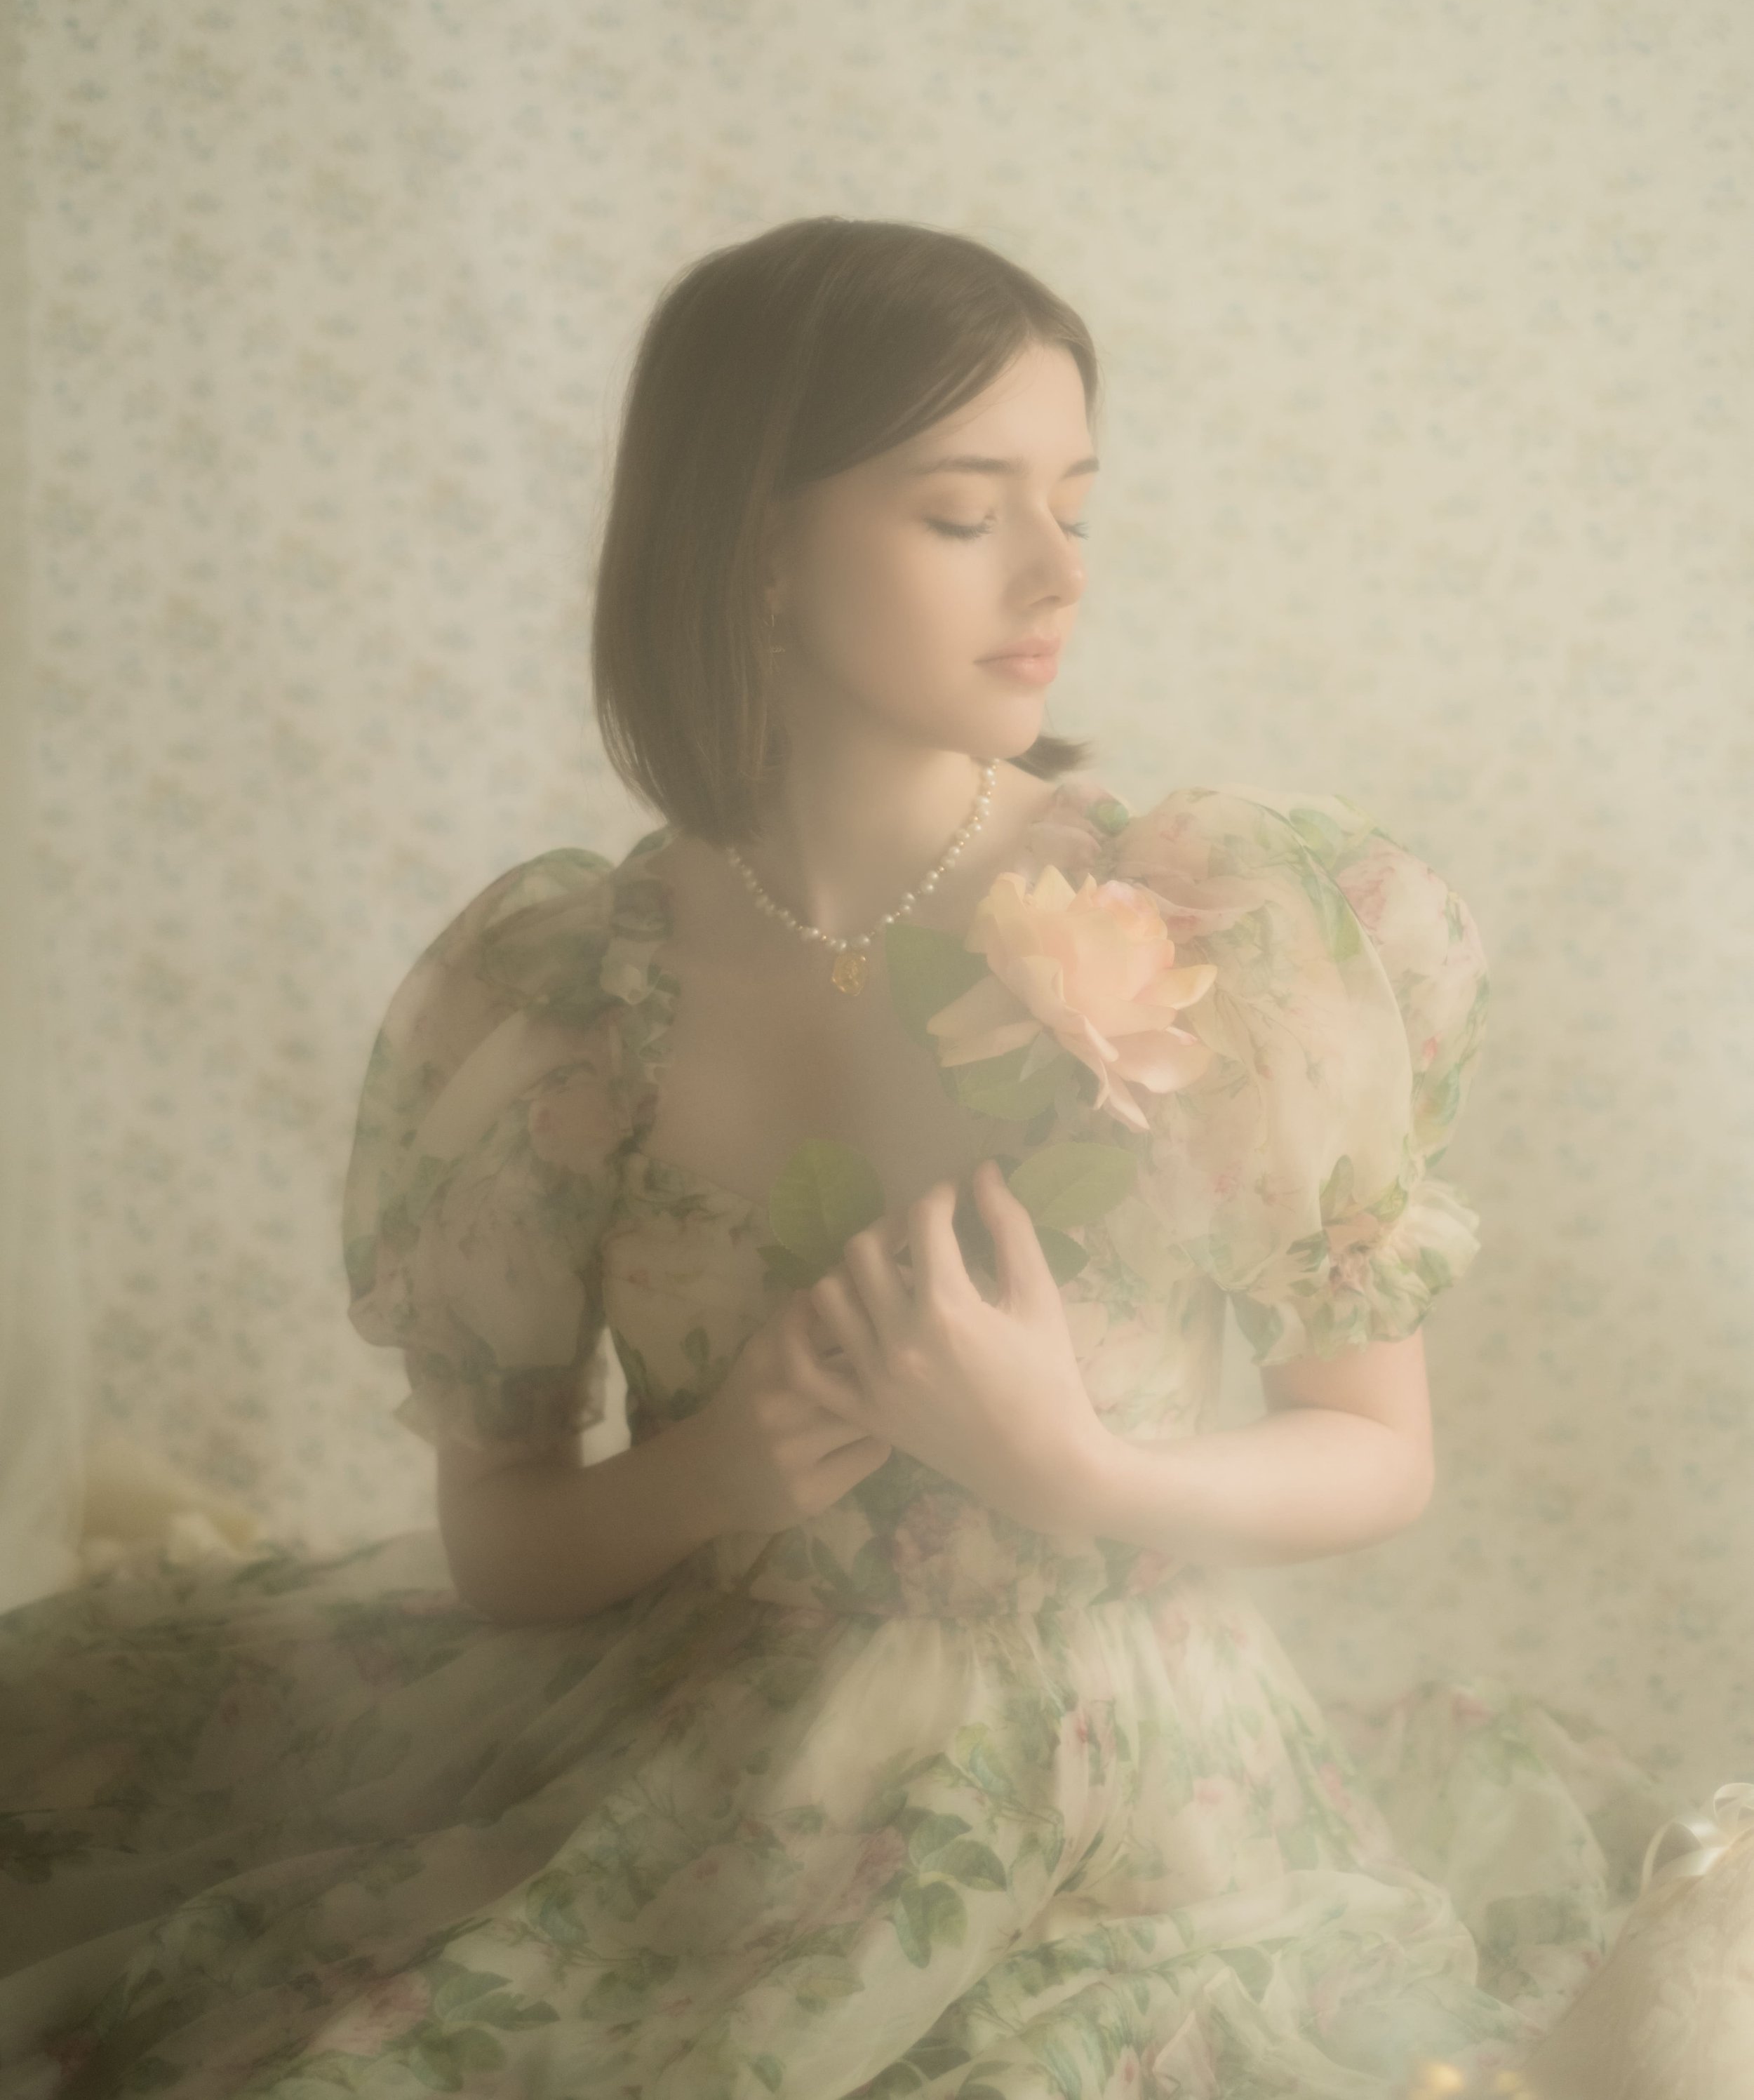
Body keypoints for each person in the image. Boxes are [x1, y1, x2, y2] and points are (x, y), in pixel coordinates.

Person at [0, 215, 1743, 2099]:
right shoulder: (570, 988)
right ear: (753, 545)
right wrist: (715, 1471)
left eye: (1075, 497)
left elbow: (1374, 1452)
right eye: (960, 510)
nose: (1057, 568)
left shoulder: (1224, 921)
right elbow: (502, 1535)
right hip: (681, 1747)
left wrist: (1072, 1465)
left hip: (1119, 1780)